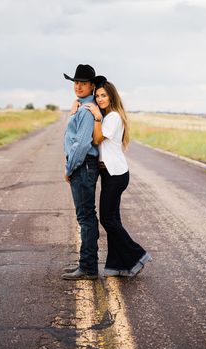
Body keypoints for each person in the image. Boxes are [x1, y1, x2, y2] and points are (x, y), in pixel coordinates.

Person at [84, 79, 152, 277]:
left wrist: (96, 116)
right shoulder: (108, 116)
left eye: (103, 95)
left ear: (111, 96)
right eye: (97, 96)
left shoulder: (112, 117)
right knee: (114, 219)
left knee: (107, 219)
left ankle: (137, 254)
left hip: (116, 174)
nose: (99, 99)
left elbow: (97, 139)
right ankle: (118, 265)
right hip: (109, 173)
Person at [62, 64, 106, 280]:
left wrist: (69, 168)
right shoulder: (81, 107)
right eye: (75, 82)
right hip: (83, 165)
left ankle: (88, 267)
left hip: (83, 165)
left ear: (91, 86)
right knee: (86, 216)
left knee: (86, 217)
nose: (78, 86)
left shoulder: (88, 111)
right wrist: (73, 113)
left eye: (83, 83)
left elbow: (80, 145)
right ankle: (86, 263)